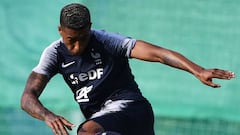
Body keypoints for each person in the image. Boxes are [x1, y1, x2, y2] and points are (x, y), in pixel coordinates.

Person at [20, 3, 235, 135]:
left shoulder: (106, 41)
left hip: (131, 109)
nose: (77, 47)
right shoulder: (54, 54)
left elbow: (158, 54)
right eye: (70, 40)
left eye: (83, 38)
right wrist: (47, 116)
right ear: (60, 30)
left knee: (86, 131)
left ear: (90, 28)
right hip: (108, 124)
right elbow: (27, 98)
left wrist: (197, 70)